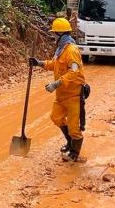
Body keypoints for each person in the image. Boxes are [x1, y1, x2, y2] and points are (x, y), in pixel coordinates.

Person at [29, 18, 87, 162]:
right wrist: (40, 63)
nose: (53, 36)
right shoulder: (61, 49)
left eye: (55, 34)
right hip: (61, 95)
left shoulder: (72, 50)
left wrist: (56, 83)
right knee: (56, 117)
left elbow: (74, 72)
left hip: (73, 95)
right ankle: (69, 142)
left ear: (61, 34)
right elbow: (55, 64)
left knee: (74, 127)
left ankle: (75, 152)